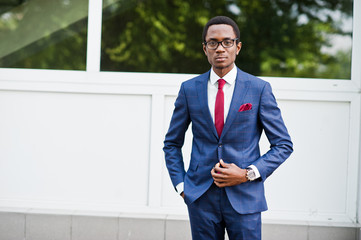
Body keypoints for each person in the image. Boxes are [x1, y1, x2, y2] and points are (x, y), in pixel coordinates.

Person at [163, 16, 293, 240]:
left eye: (227, 42)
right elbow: (172, 143)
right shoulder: (189, 89)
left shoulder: (259, 89)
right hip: (200, 197)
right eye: (213, 42)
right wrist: (182, 186)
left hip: (245, 197)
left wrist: (247, 174)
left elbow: (283, 145)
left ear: (238, 46)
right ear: (205, 48)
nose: (220, 48)